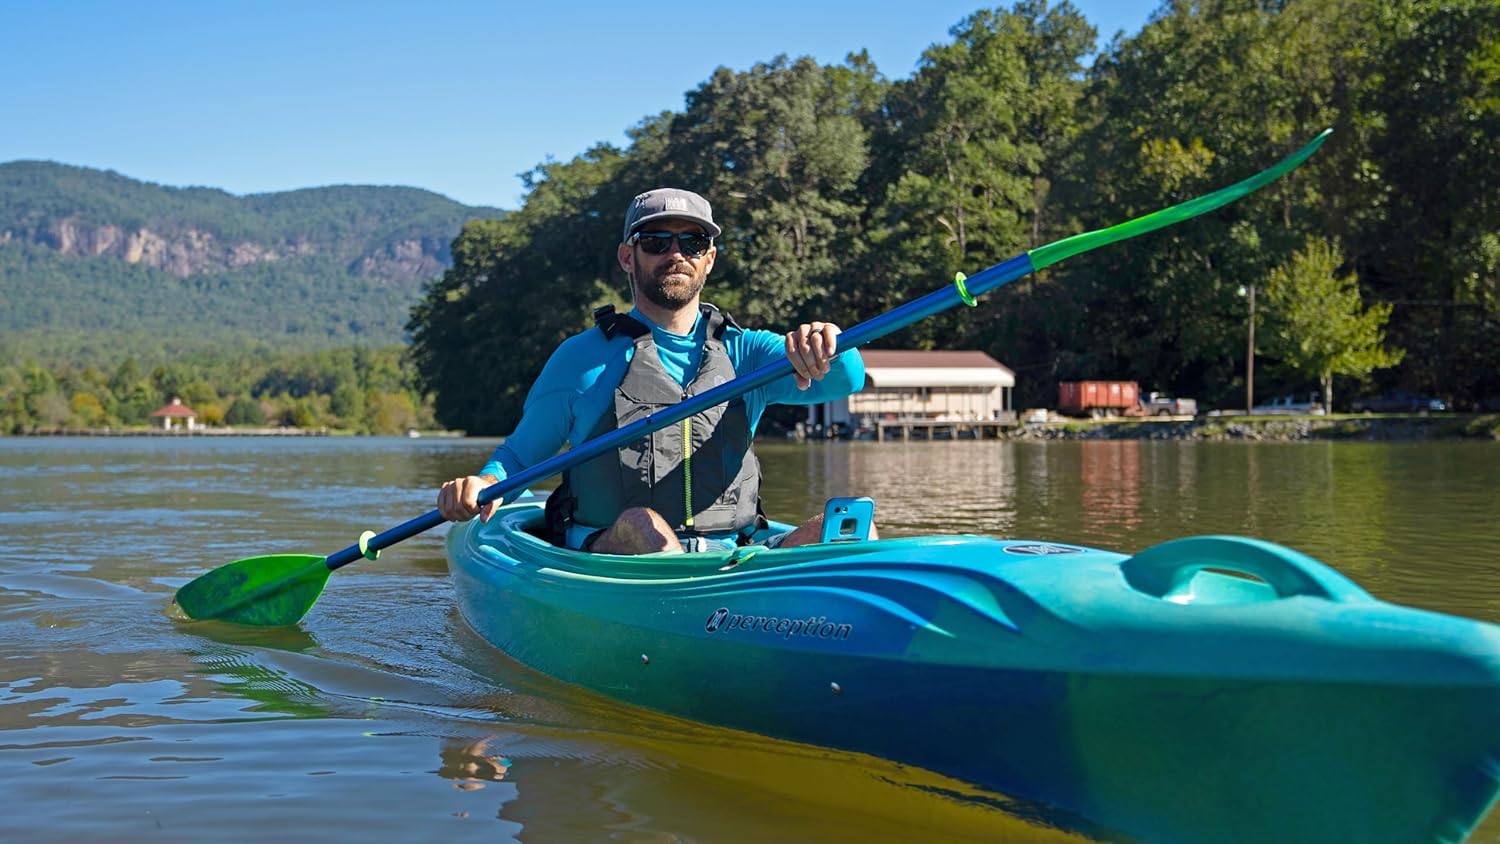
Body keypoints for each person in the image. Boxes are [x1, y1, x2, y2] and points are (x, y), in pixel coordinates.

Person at [437, 187, 873, 554]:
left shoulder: (747, 353)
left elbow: (845, 378)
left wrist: (829, 343)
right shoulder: (581, 359)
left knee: (856, 528)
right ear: (628, 257)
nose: (676, 254)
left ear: (710, 259)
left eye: (693, 244)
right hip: (619, 551)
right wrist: (481, 484)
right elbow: (517, 458)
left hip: (730, 556)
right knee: (645, 527)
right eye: (657, 241)